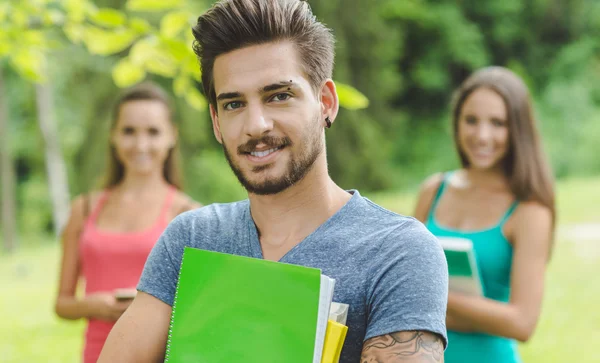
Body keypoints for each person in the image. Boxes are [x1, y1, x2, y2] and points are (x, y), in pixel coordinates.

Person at [99, 1, 448, 362]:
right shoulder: (190, 240)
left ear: (325, 102)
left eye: (279, 96)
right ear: (217, 123)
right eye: (234, 104)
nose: (256, 125)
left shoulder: (397, 251)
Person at [413, 67, 555, 363]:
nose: (482, 135)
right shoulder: (433, 190)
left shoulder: (530, 210)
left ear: (517, 130)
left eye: (498, 123)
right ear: (457, 123)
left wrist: (435, 296)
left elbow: (522, 322)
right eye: (471, 120)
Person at [55, 81, 201, 363]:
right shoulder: (83, 210)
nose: (141, 144)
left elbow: (199, 311)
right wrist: (92, 305)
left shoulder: (188, 215)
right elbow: (62, 304)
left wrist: (149, 308)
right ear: (113, 136)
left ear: (172, 136)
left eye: (153, 132)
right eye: (129, 131)